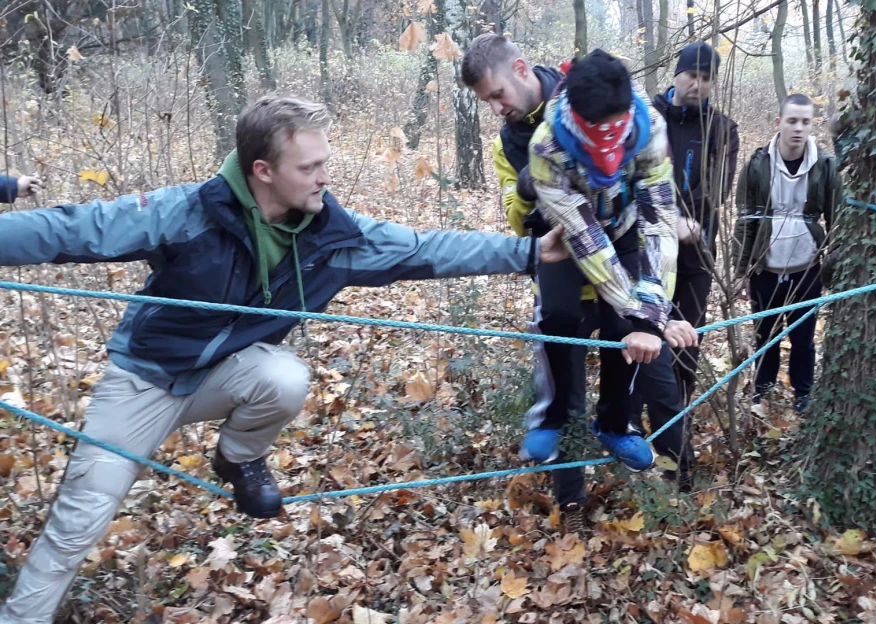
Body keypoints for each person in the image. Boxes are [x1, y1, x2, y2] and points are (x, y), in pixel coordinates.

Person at [0, 95, 569, 623]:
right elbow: (71, 229)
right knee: (82, 517)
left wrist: (528, 252)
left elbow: (425, 248)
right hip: (143, 380)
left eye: (325, 162)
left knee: (285, 376)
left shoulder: (333, 238)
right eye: (308, 167)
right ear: (262, 171)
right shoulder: (186, 213)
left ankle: (239, 457)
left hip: (227, 375)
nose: (324, 177)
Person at [529, 49, 697, 488]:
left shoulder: (650, 128)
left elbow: (660, 222)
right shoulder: (545, 147)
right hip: (567, 237)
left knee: (625, 326)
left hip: (625, 228)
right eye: (594, 133)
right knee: (558, 319)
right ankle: (555, 418)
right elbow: (585, 238)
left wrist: (649, 314)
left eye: (613, 129)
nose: (606, 142)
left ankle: (614, 424)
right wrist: (643, 312)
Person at [461, 34, 599, 531]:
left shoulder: (583, 100)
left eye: (497, 95)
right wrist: (526, 190)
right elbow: (517, 224)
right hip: (559, 273)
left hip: (617, 269)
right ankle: (573, 499)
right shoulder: (506, 143)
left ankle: (665, 470)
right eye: (486, 102)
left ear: (521, 69)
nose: (496, 109)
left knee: (645, 373)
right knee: (564, 388)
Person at [733, 93, 842, 413]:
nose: (798, 128)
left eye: (806, 122)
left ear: (812, 125)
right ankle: (762, 391)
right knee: (765, 334)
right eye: (792, 121)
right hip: (765, 265)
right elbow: (746, 220)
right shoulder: (757, 164)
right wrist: (741, 271)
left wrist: (833, 266)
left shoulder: (824, 166)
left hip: (806, 266)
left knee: (803, 337)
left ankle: (803, 393)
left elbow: (837, 219)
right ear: (779, 122)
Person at [651, 42, 739, 405]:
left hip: (696, 254)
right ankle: (638, 420)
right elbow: (633, 179)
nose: (698, 85)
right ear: (677, 74)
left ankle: (677, 423)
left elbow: (718, 188)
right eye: (692, 75)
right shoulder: (649, 118)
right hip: (649, 251)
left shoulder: (722, 129)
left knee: (687, 340)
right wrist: (667, 221)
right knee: (647, 335)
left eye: (706, 79)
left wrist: (693, 223)